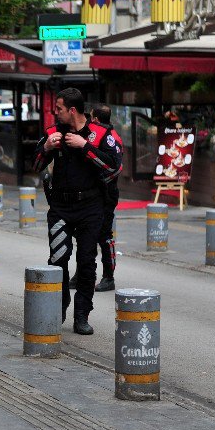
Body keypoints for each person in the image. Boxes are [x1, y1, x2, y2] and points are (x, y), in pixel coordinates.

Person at [33, 88, 120, 335]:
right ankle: (59, 307)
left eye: (59, 108)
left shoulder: (101, 134)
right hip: (60, 208)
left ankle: (82, 315)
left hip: (90, 209)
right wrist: (47, 148)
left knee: (86, 263)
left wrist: (84, 147)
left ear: (72, 110)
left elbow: (113, 168)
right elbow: (37, 164)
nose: (55, 113)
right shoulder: (53, 133)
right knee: (57, 260)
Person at [92, 105, 123, 292]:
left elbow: (115, 167)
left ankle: (108, 277)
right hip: (95, 192)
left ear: (95, 118)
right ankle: (83, 273)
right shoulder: (108, 135)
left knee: (104, 236)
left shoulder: (109, 138)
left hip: (106, 192)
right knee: (85, 235)